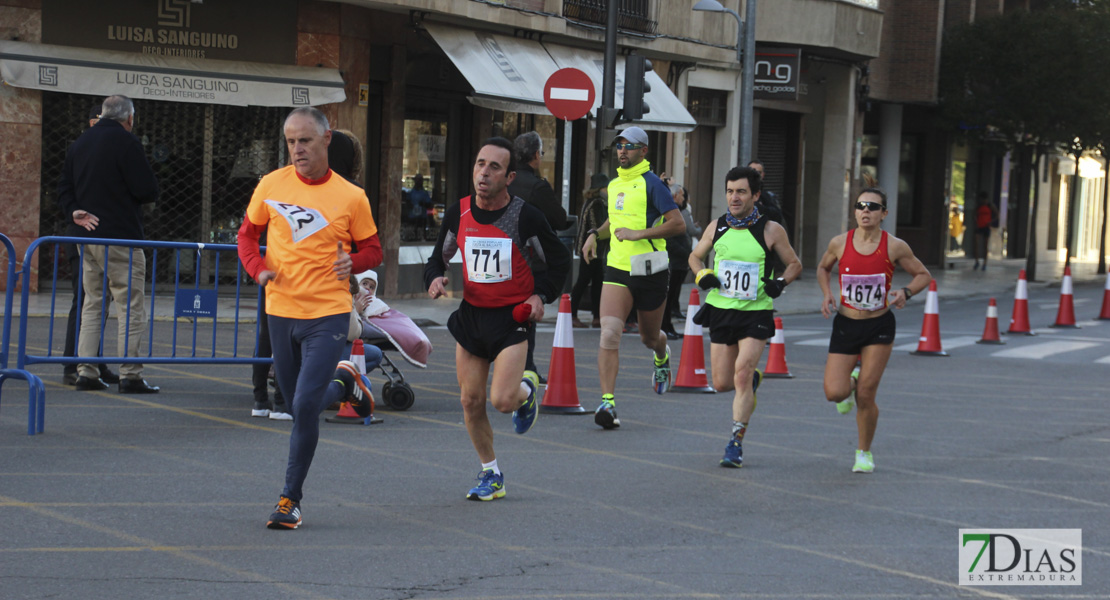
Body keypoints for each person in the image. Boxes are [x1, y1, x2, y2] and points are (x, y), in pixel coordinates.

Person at [237, 107, 383, 529]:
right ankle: (346, 384)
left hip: (328, 312)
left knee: (302, 405)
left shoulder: (351, 196)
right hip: (280, 310)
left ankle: (289, 500)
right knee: (294, 404)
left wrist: (353, 262)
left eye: (305, 140)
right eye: (290, 141)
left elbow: (374, 249)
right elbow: (247, 235)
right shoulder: (270, 184)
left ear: (326, 139)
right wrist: (256, 269)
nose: (297, 149)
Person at [424, 137, 570, 501]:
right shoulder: (459, 213)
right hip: (473, 316)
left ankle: (527, 392)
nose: (483, 173)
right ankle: (492, 473)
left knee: (503, 401)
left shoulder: (525, 216)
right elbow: (437, 257)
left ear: (509, 177)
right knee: (470, 402)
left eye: (494, 167)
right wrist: (434, 278)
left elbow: (559, 262)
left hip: (511, 318)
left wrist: (541, 295)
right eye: (479, 164)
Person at [688, 166, 802, 467]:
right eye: (730, 191)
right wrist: (703, 275)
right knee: (723, 383)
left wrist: (781, 283)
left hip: (756, 312)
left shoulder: (771, 230)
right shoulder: (717, 226)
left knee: (740, 374)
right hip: (721, 309)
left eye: (741, 191)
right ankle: (752, 381)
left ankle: (735, 443)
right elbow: (695, 255)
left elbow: (794, 264)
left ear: (755, 195)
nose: (734, 197)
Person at [816, 187, 932, 474]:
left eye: (872, 207)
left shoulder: (895, 246)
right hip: (846, 322)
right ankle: (851, 382)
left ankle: (863, 452)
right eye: (861, 206)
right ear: (855, 211)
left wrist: (905, 291)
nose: (866, 211)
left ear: (884, 214)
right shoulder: (839, 243)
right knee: (834, 393)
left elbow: (923, 275)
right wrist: (827, 293)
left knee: (866, 395)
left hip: (878, 324)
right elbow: (822, 268)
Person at [581, 126, 684, 429]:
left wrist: (640, 233)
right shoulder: (614, 185)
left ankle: (662, 355)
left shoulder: (652, 185)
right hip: (617, 267)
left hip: (650, 267)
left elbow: (676, 223)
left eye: (630, 146)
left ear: (644, 151)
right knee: (609, 332)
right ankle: (608, 403)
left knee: (648, 337)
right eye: (620, 145)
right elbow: (614, 220)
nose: (622, 151)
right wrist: (593, 235)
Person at [56, 95, 160, 393]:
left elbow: (63, 185)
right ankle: (130, 373)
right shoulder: (127, 143)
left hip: (87, 237)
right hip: (120, 236)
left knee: (93, 302)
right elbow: (146, 189)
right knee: (130, 305)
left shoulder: (80, 143)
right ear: (129, 118)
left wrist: (74, 210)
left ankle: (86, 371)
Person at [58, 103, 118, 387]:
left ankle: (93, 362)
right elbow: (63, 189)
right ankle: (73, 364)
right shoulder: (80, 149)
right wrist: (74, 213)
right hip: (81, 235)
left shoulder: (108, 151)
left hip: (101, 236)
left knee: (98, 303)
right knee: (83, 301)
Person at [509, 131, 568, 383]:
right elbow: (560, 219)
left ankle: (507, 360)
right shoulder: (537, 186)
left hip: (500, 255)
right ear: (535, 155)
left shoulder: (505, 180)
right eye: (541, 153)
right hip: (529, 259)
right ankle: (525, 365)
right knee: (526, 313)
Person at [570, 174, 610, 329]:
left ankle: (596, 316)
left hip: (590, 248)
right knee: (584, 280)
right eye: (605, 188)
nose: (607, 191)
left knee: (596, 282)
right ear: (599, 189)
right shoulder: (596, 203)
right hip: (592, 249)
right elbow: (596, 225)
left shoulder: (590, 202)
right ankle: (572, 314)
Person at [661, 183, 701, 339]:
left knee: (671, 298)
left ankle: (668, 327)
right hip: (673, 262)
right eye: (682, 195)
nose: (684, 199)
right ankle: (665, 328)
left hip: (679, 262)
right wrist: (686, 253)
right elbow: (669, 239)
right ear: (675, 195)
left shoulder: (676, 211)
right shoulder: (669, 212)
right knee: (668, 297)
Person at [747, 160, 783, 225]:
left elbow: (778, 216)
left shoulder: (767, 196)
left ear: (763, 175)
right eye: (751, 172)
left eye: (758, 173)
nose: (755, 176)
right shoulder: (741, 192)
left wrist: (761, 208)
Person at [973, 192, 996, 270]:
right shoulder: (978, 206)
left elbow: (997, 214)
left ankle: (985, 263)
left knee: (985, 245)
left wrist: (991, 222)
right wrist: (976, 221)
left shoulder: (990, 206)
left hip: (986, 227)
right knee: (976, 244)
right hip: (979, 227)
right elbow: (975, 215)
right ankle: (977, 261)